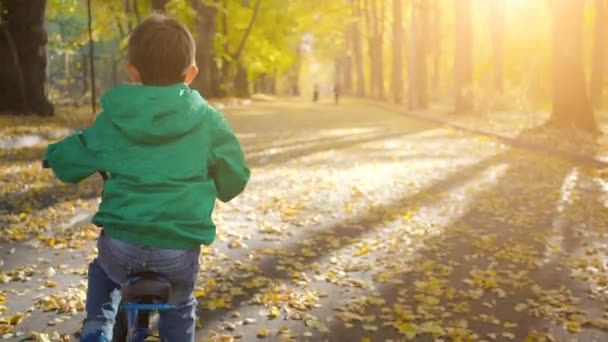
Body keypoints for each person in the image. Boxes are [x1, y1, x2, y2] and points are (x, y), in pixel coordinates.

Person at [44, 14, 250, 342]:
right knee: (181, 305)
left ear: (133, 71)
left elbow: (72, 158)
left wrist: (53, 156)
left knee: (103, 273)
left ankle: (97, 327)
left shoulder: (114, 119)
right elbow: (235, 180)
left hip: (121, 249)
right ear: (191, 73)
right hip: (178, 253)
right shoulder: (208, 121)